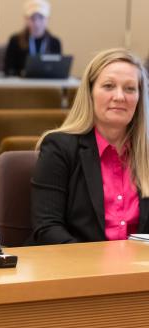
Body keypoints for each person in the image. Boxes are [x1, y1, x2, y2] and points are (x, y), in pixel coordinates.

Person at [31, 48, 149, 245]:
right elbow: (47, 228)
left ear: (139, 98)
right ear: (90, 92)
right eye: (109, 86)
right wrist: (96, 264)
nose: (120, 96)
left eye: (130, 89)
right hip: (78, 268)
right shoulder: (59, 147)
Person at [4, 0, 62, 77]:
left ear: (47, 19)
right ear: (26, 19)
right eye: (32, 18)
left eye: (41, 17)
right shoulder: (15, 41)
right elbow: (8, 70)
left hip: (47, 86)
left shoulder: (54, 42)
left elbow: (58, 71)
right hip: (21, 85)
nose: (37, 23)